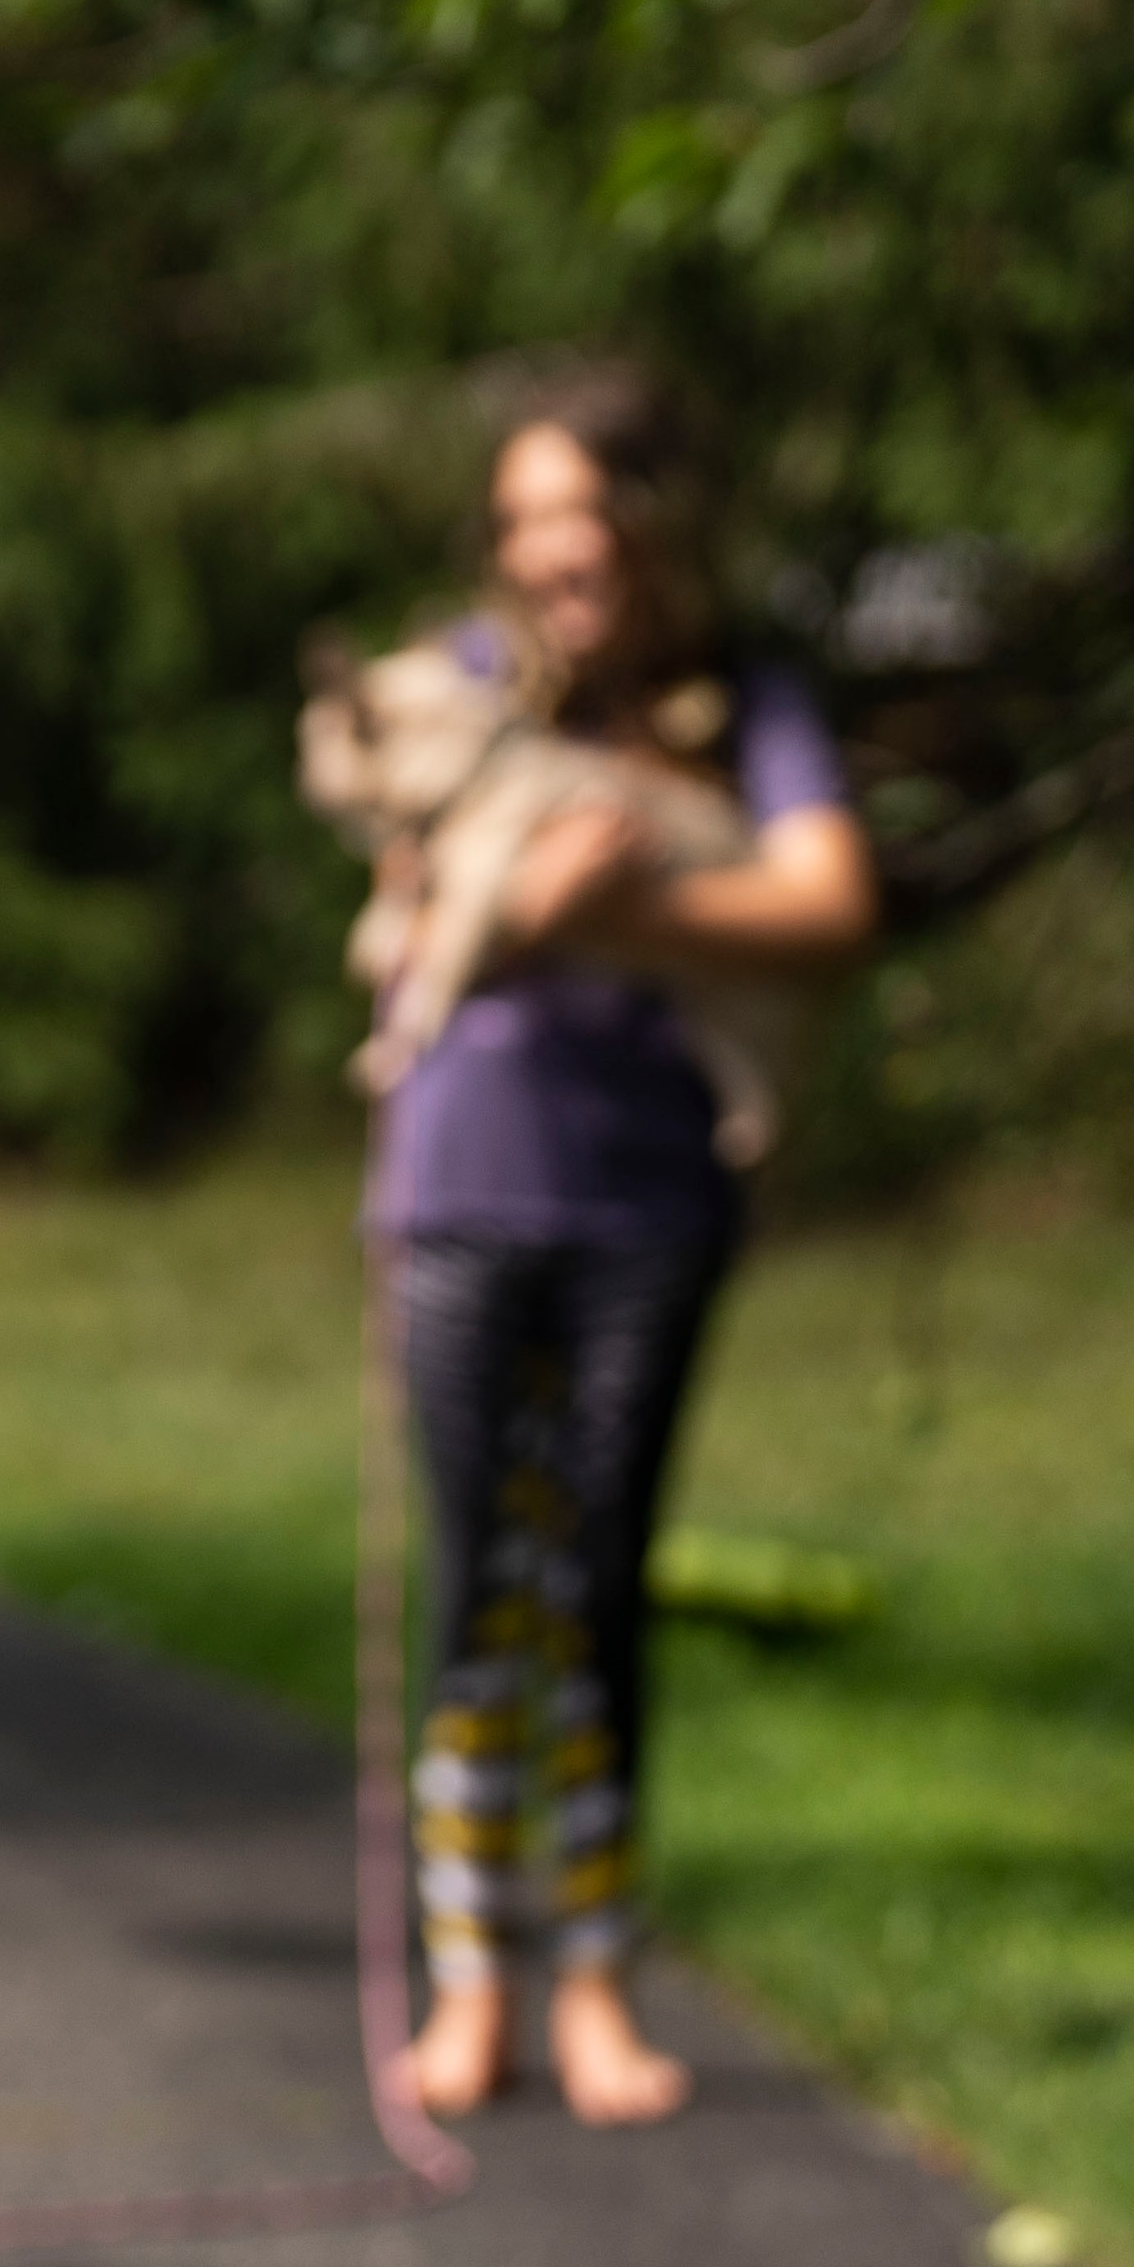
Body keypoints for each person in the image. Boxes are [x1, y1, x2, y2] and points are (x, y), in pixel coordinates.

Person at [361, 367, 875, 2127]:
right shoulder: (467, 680)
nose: (543, 553)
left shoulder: (742, 699)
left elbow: (827, 904)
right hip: (457, 1182)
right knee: (475, 1585)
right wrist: (478, 906)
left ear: (651, 520)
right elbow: (387, 916)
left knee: (594, 1585)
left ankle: (595, 1979)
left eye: (571, 513)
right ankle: (468, 1982)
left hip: (649, 1195)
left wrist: (613, 906)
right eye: (518, 523)